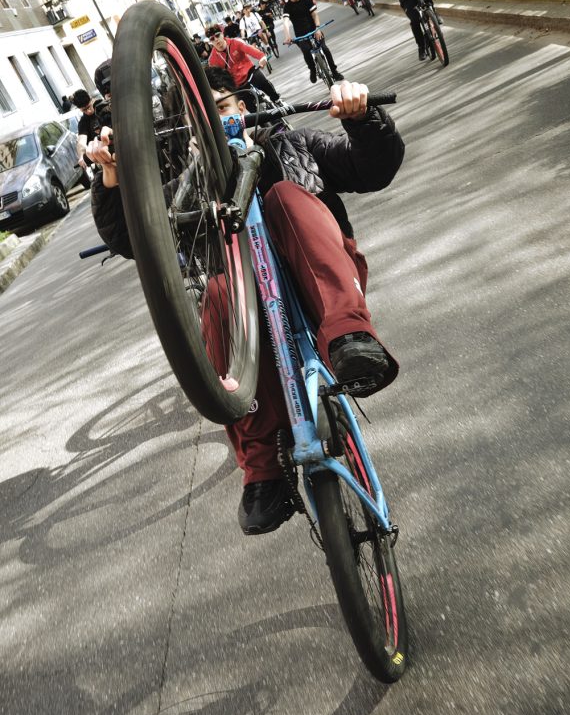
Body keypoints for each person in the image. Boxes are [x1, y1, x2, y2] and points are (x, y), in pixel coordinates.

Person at [86, 69, 404, 536]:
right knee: (216, 294)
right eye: (200, 117)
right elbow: (132, 237)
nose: (214, 122)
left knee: (284, 198)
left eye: (221, 107)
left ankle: (351, 339)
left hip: (324, 288)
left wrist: (362, 117)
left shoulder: (294, 146)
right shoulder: (188, 187)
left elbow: (374, 167)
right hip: (250, 314)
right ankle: (263, 468)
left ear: (243, 106)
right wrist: (110, 180)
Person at [281, 0, 344, 85]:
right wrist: (287, 36)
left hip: (314, 30)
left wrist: (317, 28)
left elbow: (315, 15)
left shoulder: (306, 0)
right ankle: (312, 69)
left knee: (325, 49)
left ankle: (334, 71)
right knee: (306, 51)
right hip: (301, 35)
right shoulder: (287, 7)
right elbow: (286, 22)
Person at [205, 22, 281, 104]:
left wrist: (262, 57)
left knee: (263, 82)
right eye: (212, 39)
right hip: (236, 85)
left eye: (217, 35)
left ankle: (277, 100)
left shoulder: (235, 42)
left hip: (250, 73)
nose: (216, 40)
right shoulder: (212, 60)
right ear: (210, 42)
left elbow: (251, 50)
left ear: (222, 34)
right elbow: (216, 78)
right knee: (249, 107)